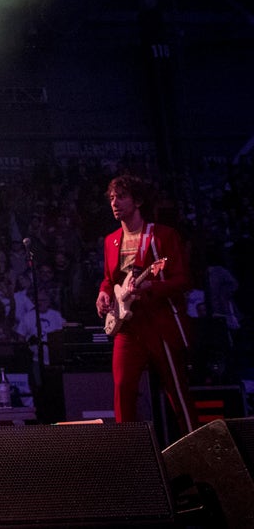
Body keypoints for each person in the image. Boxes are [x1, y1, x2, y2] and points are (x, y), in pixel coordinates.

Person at [94, 174, 196, 435]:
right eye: (112, 198)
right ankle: (130, 451)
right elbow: (109, 279)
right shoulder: (110, 240)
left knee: (176, 391)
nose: (114, 202)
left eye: (121, 196)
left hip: (159, 323)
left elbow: (184, 280)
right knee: (122, 388)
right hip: (128, 328)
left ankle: (198, 445)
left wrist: (153, 286)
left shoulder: (162, 235)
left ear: (137, 201)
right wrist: (103, 294)